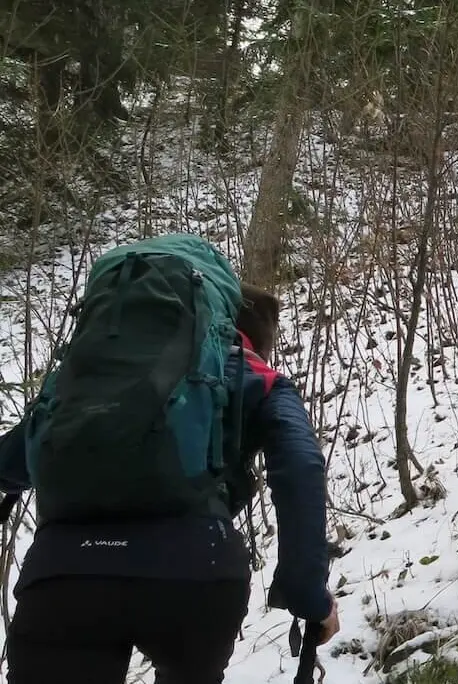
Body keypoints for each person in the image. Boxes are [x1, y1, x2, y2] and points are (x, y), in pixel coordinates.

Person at [0, 278, 339, 684]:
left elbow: (15, 458)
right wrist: (308, 594)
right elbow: (301, 465)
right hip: (196, 572)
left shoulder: (95, 375)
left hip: (64, 575)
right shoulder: (253, 374)